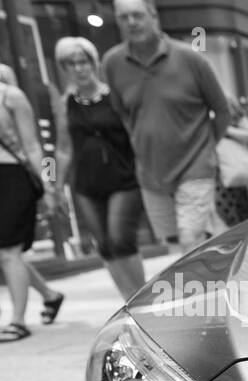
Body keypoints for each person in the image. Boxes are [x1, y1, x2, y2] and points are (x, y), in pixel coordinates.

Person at [103, 0, 230, 253]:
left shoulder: (191, 59)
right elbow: (123, 113)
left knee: (188, 238)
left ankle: (198, 288)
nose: (131, 22)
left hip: (195, 165)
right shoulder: (112, 63)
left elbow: (222, 110)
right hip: (151, 171)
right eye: (123, 17)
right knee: (174, 245)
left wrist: (207, 148)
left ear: (154, 16)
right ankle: (216, 270)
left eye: (137, 15)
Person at [53, 36, 147, 300]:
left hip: (123, 179)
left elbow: (135, 136)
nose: (79, 68)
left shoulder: (113, 97)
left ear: (93, 63)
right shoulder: (64, 103)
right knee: (105, 246)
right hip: (86, 183)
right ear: (65, 69)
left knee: (120, 240)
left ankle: (143, 301)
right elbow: (62, 147)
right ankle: (128, 304)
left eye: (83, 62)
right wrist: (56, 186)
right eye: (71, 64)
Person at [0, 64, 63, 324]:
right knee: (4, 253)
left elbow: (33, 147)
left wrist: (48, 186)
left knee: (8, 251)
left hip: (11, 176)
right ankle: (50, 295)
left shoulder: (10, 96)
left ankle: (17, 320)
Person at [213, 96, 248, 229]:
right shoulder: (208, 115)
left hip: (234, 169)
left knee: (241, 210)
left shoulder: (237, 117)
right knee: (226, 213)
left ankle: (240, 240)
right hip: (218, 171)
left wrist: (226, 130)